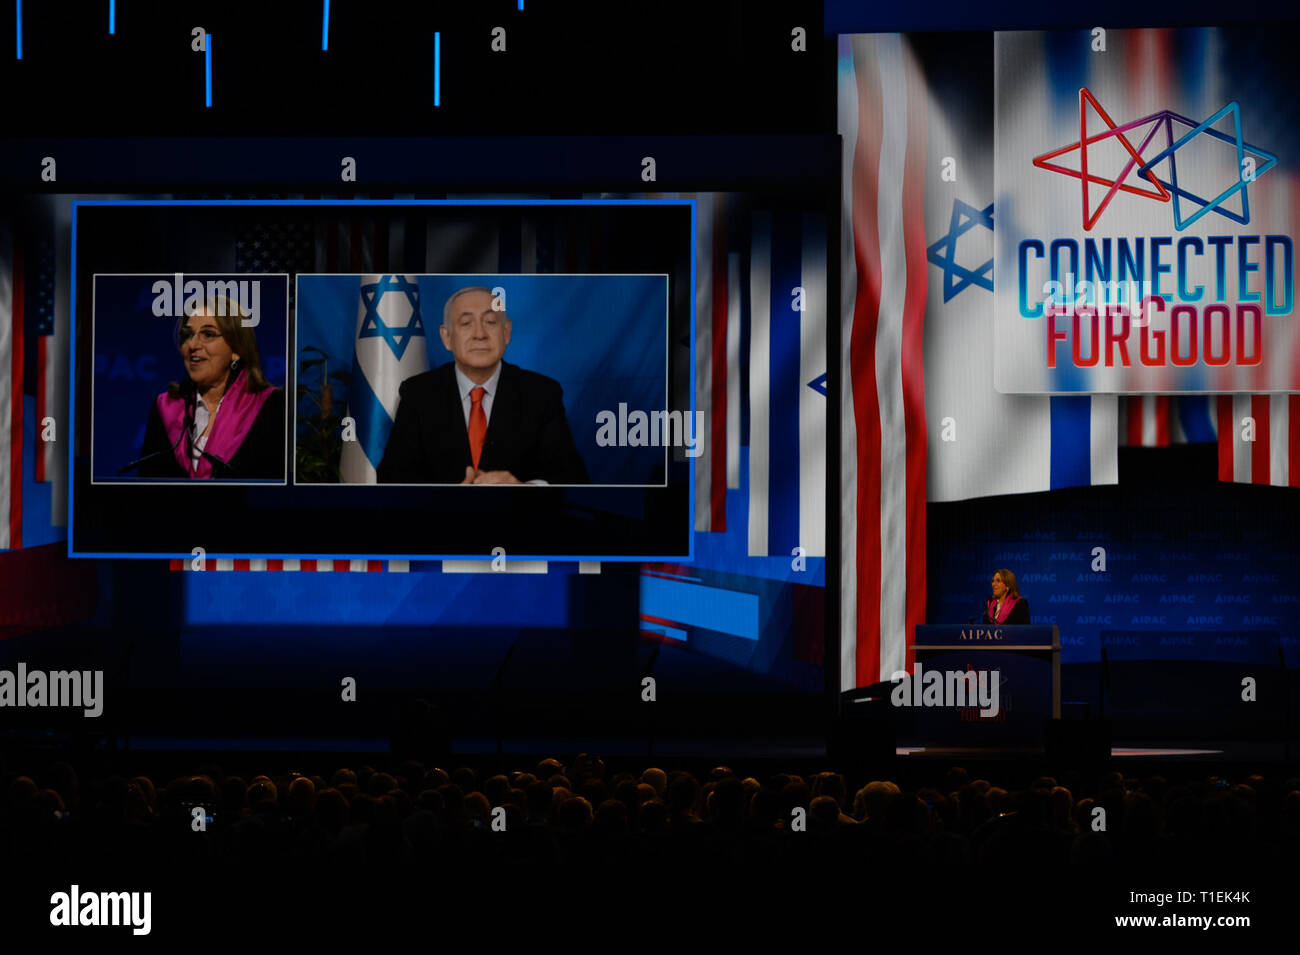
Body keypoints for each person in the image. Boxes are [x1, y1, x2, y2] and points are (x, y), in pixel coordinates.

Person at [377, 286, 589, 485]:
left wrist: (524, 488)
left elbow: (573, 478)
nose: (479, 334)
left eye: (490, 322)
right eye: (466, 323)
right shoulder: (417, 394)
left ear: (506, 332)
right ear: (447, 336)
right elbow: (391, 478)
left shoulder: (542, 393)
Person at [136, 297, 285, 479]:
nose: (193, 345)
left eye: (208, 334)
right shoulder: (165, 407)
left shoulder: (271, 406)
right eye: (188, 335)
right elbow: (148, 485)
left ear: (236, 350)